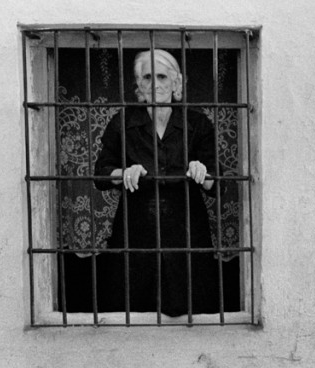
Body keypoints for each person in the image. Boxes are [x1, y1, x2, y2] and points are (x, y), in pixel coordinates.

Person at [93, 49, 221, 316]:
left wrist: (202, 171)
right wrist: (123, 173)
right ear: (139, 85)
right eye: (147, 77)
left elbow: (217, 184)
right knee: (132, 306)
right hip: (136, 227)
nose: (155, 84)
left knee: (191, 306)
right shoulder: (123, 122)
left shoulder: (197, 123)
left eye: (162, 76)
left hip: (185, 227)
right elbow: (101, 175)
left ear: (176, 83)